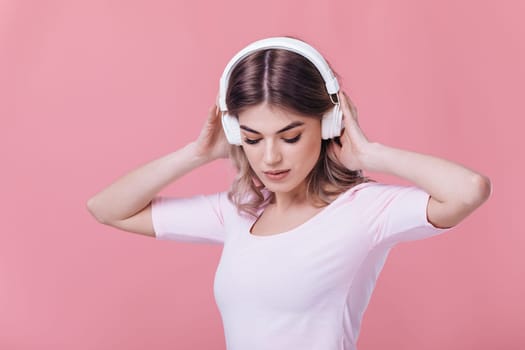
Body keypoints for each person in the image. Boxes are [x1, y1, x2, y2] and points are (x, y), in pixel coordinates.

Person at [87, 36, 491, 350]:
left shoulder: (366, 210)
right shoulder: (237, 212)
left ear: (329, 123)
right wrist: (197, 153)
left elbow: (468, 190)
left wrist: (371, 153)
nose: (271, 157)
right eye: (252, 138)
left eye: (290, 136)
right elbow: (107, 209)